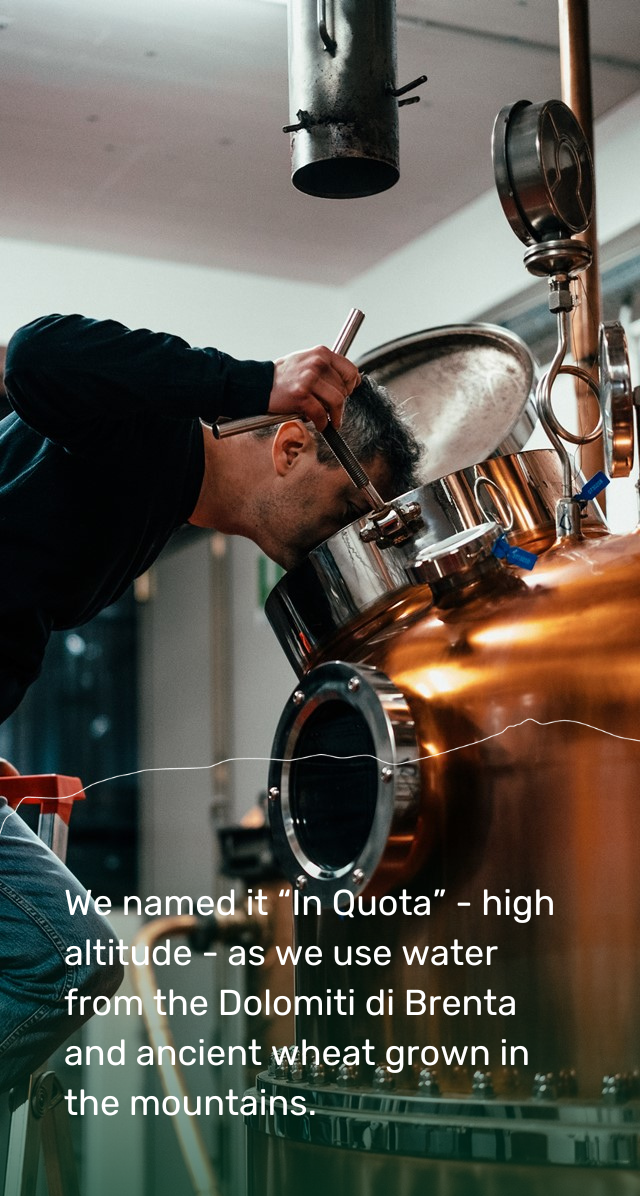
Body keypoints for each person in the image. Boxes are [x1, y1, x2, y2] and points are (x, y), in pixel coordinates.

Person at [0, 312, 421, 1092]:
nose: (338, 540)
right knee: (61, 959)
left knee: (70, 961)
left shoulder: (157, 498)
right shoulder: (154, 434)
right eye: (343, 509)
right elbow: (34, 355)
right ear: (290, 447)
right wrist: (253, 382)